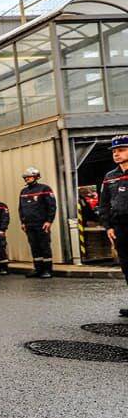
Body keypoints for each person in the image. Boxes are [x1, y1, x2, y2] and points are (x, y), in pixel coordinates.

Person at [99, 134, 128, 315]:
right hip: (120, 227)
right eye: (114, 151)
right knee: (127, 265)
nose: (116, 154)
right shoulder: (110, 177)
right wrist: (108, 226)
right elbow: (104, 204)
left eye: (121, 150)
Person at [19, 167, 56, 278]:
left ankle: (48, 270)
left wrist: (49, 221)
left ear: (36, 177)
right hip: (29, 224)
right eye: (25, 177)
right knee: (34, 247)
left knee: (44, 246)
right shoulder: (23, 191)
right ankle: (38, 269)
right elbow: (21, 208)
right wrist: (23, 222)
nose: (27, 179)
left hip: (42, 224)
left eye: (29, 177)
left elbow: (52, 206)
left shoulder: (44, 188)